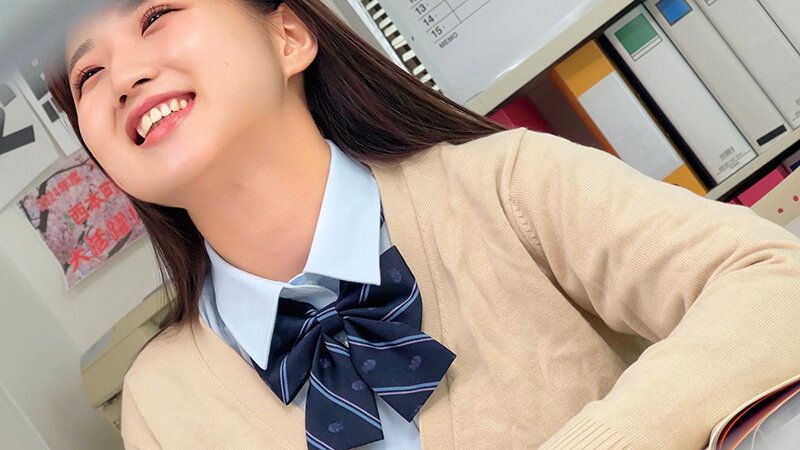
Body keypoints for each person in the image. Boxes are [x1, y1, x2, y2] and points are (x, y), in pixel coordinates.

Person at [45, 0, 800, 448]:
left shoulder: (504, 183)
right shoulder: (160, 400)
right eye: (87, 74)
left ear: (288, 38)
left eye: (157, 16)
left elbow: (776, 285)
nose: (124, 77)